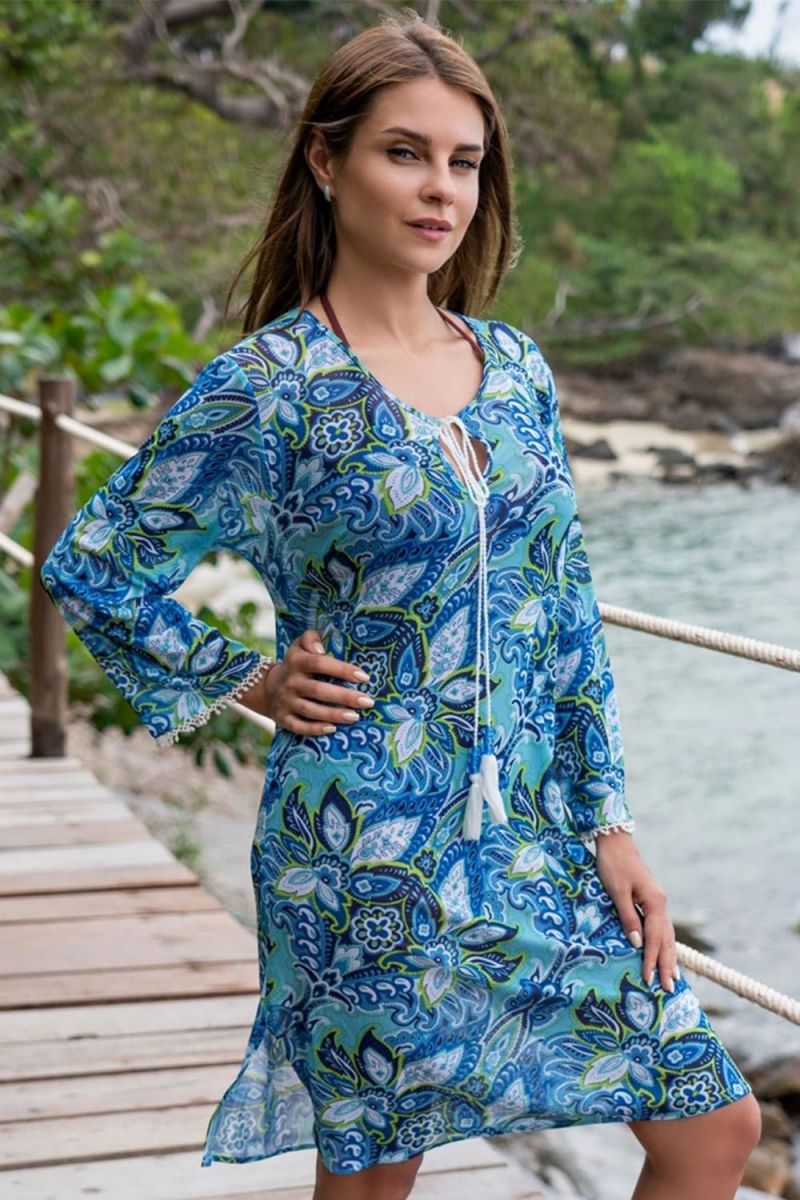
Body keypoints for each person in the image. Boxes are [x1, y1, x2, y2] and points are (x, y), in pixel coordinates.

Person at [39, 12, 760, 1200]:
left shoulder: (514, 369)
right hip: (361, 845)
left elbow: (564, 617)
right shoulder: (270, 385)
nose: (440, 189)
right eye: (404, 152)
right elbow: (97, 561)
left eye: (463, 162)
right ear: (325, 161)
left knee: (712, 1129)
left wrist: (610, 825)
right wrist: (247, 677)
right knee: (378, 1176)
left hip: (532, 839)